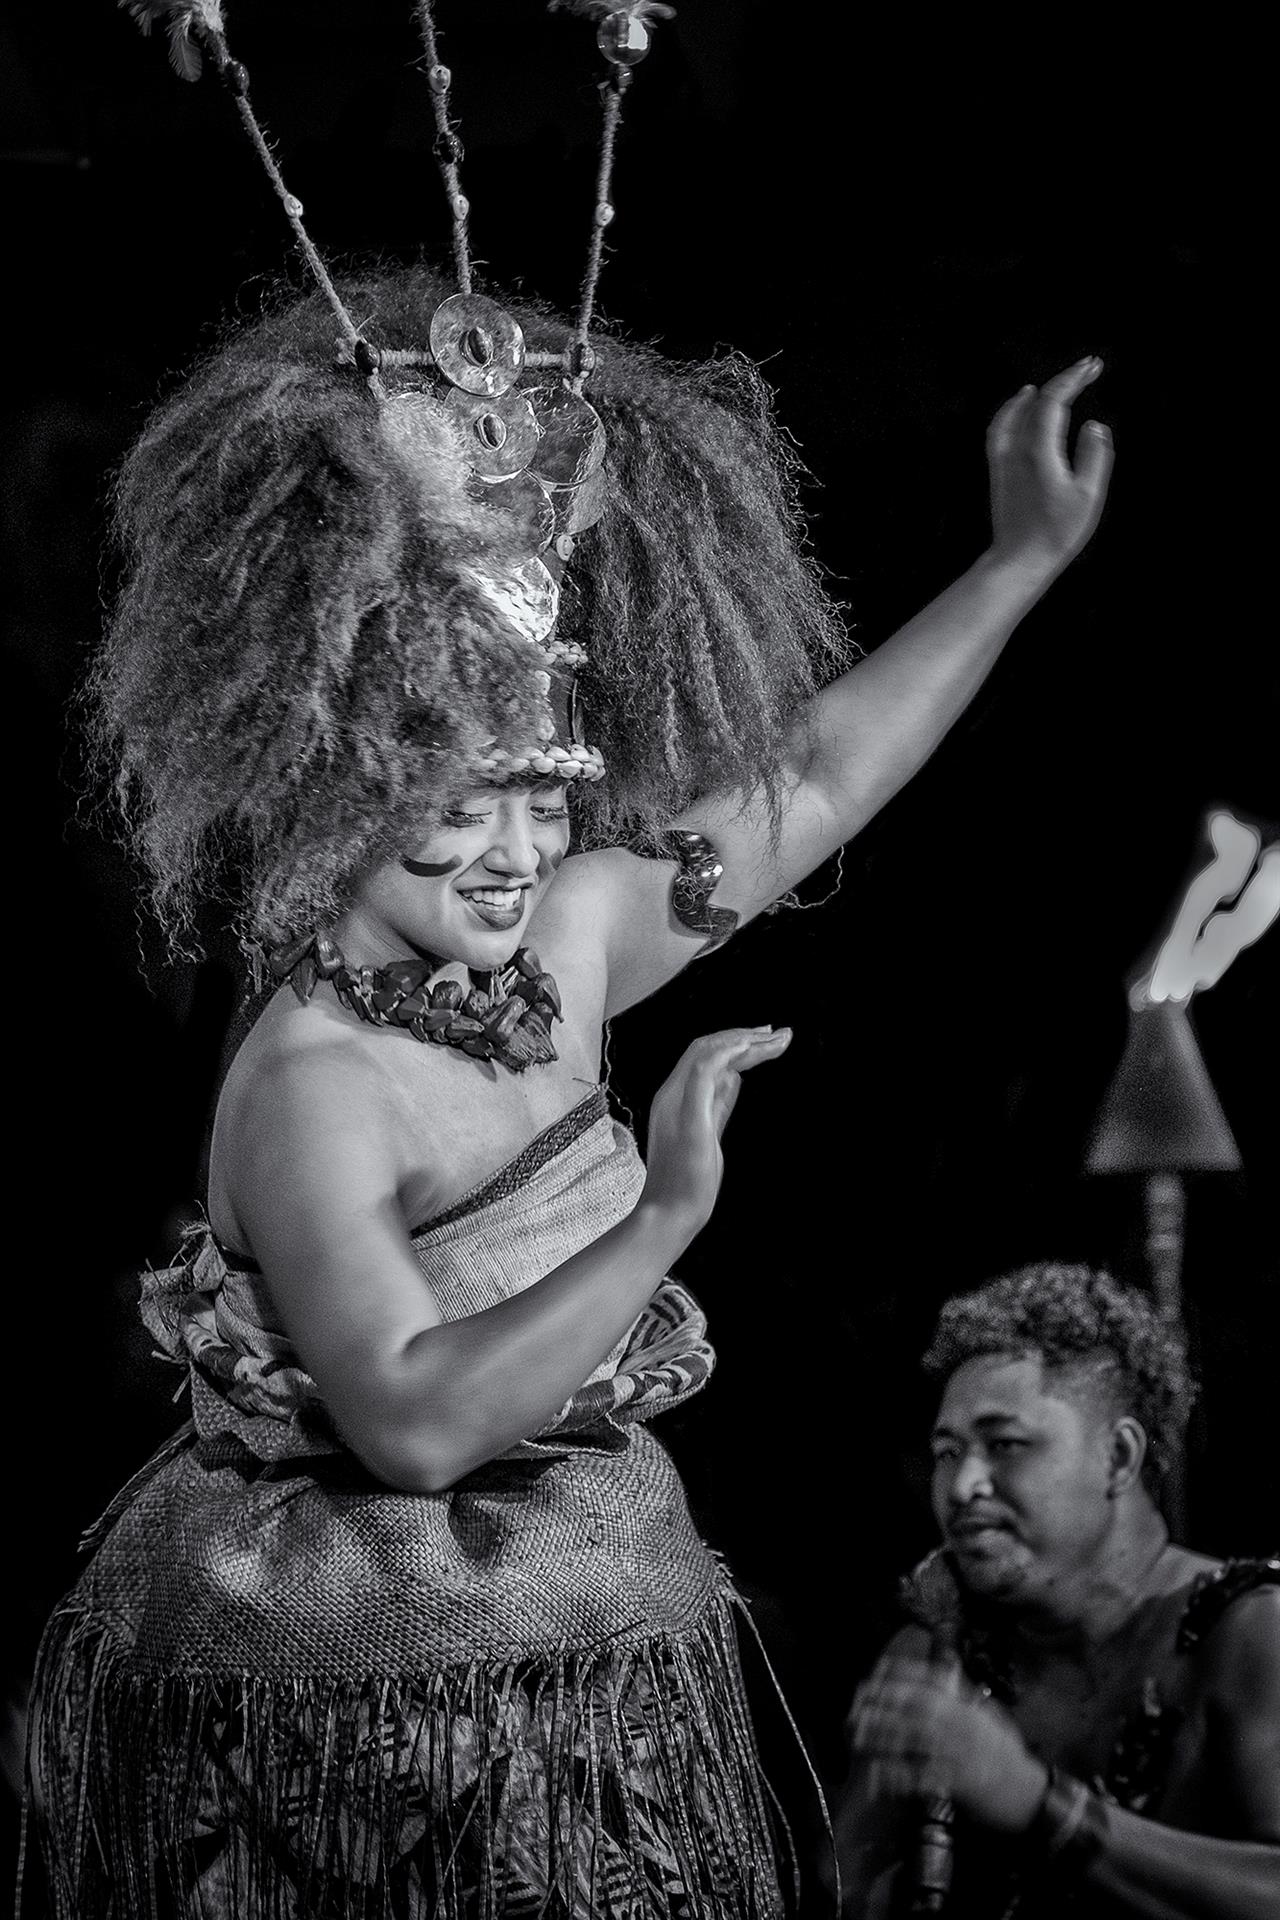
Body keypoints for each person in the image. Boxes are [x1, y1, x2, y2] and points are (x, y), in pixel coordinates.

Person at [16, 18, 1112, 1907]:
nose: (524, 852)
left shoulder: (568, 938)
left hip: (584, 1691)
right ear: (333, 788)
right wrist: (667, 1207)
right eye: (467, 807)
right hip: (354, 1755)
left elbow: (812, 780)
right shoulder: (312, 1088)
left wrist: (1017, 563)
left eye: (545, 796)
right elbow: (417, 1424)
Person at [837, 1262, 1280, 1919]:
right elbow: (843, 1889)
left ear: (1118, 1457)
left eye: (1005, 1444)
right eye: (948, 1452)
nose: (963, 1487)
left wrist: (1032, 1800)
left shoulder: (1253, 1630)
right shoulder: (939, 1654)